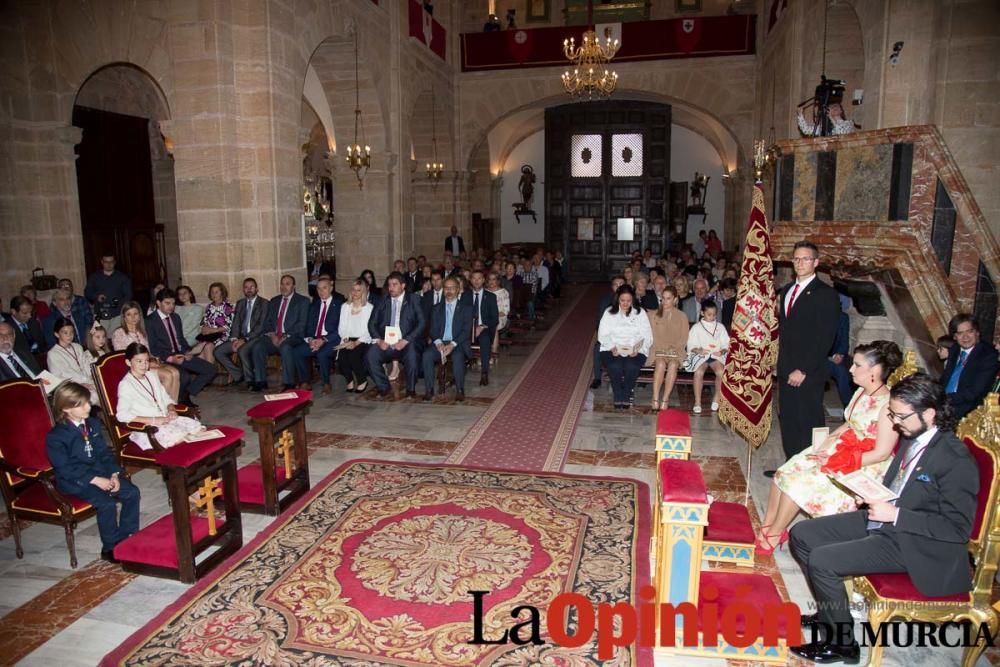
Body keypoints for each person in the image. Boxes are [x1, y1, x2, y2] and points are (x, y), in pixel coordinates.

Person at [789, 373, 978, 663]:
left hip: (916, 543)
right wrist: (871, 493)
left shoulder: (954, 459)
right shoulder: (913, 436)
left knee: (823, 561)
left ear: (929, 413)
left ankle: (843, 646)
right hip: (886, 521)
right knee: (802, 535)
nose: (894, 422)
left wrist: (897, 514)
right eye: (892, 413)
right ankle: (829, 614)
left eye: (900, 415)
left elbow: (956, 529)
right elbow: (901, 485)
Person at [758, 341, 903, 555]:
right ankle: (767, 527)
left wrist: (841, 460)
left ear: (874, 370)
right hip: (844, 447)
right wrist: (826, 443)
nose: (851, 369)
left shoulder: (888, 406)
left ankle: (776, 533)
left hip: (867, 462)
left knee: (797, 485)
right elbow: (850, 423)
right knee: (784, 473)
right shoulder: (862, 391)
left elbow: (881, 452)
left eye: (857, 365)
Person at [46, 381, 140, 563]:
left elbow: (104, 453)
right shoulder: (56, 436)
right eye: (81, 404)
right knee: (106, 504)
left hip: (100, 472)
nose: (88, 406)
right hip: (75, 480)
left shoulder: (92, 424)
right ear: (66, 408)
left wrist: (114, 474)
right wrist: (96, 480)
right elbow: (64, 468)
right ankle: (110, 547)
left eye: (88, 402)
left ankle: (128, 535)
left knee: (132, 492)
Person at [770, 241, 841, 476]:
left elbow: (824, 338)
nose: (800, 263)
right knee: (788, 417)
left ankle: (809, 468)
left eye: (806, 259)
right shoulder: (788, 289)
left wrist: (804, 369)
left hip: (808, 371)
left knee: (807, 418)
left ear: (816, 262)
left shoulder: (826, 295)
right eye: (797, 259)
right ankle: (791, 464)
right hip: (786, 366)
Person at [116, 343, 203, 449]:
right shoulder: (126, 384)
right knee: (184, 438)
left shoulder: (151, 376)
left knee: (199, 429)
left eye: (146, 361)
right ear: (128, 362)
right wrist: (154, 420)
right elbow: (122, 415)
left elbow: (166, 398)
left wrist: (171, 409)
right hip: (147, 429)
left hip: (165, 420)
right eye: (139, 361)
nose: (144, 365)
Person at [145, 288, 217, 406]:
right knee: (184, 376)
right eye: (167, 303)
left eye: (173, 303)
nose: (171, 306)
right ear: (158, 303)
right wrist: (171, 358)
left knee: (211, 370)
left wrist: (189, 352)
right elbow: (153, 348)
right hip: (165, 358)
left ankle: (185, 395)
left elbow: (181, 339)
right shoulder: (150, 321)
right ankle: (182, 400)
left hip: (181, 354)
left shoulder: (175, 317)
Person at [365, 272, 425, 399]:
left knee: (412, 354)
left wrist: (406, 340)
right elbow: (372, 324)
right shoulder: (383, 300)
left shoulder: (414, 299)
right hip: (386, 341)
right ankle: (383, 387)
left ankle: (410, 389)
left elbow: (421, 323)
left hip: (406, 342)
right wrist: (379, 340)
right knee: (370, 355)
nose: (391, 288)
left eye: (394, 284)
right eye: (389, 285)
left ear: (403, 286)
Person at [111, 301, 181, 401]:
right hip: (134, 367)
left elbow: (147, 351)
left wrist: (153, 358)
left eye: (135, 314)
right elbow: (122, 356)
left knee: (175, 372)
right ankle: (160, 407)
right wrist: (147, 363)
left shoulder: (141, 331)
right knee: (168, 375)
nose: (133, 317)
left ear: (139, 315)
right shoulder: (119, 333)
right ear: (124, 317)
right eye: (129, 314)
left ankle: (173, 407)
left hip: (148, 363)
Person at [598, 284, 652, 411]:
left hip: (635, 349)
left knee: (631, 366)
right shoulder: (609, 312)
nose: (625, 303)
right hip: (612, 348)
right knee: (615, 366)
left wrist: (637, 349)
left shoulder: (640, 312)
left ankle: (626, 393)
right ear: (617, 299)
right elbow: (602, 334)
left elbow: (647, 335)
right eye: (622, 300)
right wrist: (612, 347)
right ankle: (618, 394)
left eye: (628, 300)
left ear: (632, 299)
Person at [252, 275, 310, 391]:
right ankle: (260, 381)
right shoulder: (274, 301)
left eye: (287, 284)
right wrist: (272, 335)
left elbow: (301, 324)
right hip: (275, 336)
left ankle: (289, 383)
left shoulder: (302, 301)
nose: (284, 287)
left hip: (293, 336)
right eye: (282, 284)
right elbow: (267, 322)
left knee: (286, 347)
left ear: (293, 286)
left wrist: (285, 336)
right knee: (258, 346)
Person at [422, 276, 473, 401]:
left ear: (458, 290)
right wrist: (439, 343)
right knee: (427, 355)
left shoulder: (466, 308)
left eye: (452, 288)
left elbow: (466, 332)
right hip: (440, 342)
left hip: (457, 343)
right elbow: (433, 330)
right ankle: (429, 389)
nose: (448, 291)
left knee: (457, 356)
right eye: (446, 288)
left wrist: (451, 345)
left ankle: (460, 389)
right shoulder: (436, 308)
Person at [940, 313, 999, 419]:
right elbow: (945, 379)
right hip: (945, 403)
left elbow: (974, 393)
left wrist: (942, 399)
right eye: (960, 333)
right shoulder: (955, 349)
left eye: (970, 331)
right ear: (954, 336)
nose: (965, 337)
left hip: (967, 410)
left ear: (977, 333)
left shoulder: (988, 355)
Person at [213, 278, 267, 389]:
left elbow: (260, 326)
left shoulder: (264, 303)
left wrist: (245, 339)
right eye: (246, 287)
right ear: (243, 289)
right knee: (218, 351)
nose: (249, 289)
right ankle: (238, 375)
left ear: (257, 289)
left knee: (243, 350)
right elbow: (236, 322)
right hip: (240, 338)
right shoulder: (240, 303)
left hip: (256, 337)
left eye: (251, 287)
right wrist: (234, 339)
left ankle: (250, 381)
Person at [292, 277, 343, 394]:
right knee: (297, 351)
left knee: (322, 353)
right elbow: (308, 326)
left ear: (331, 288)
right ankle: (305, 381)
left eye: (324, 288)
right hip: (315, 339)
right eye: (318, 288)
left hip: (331, 339)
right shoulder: (314, 305)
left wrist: (324, 340)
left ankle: (326, 383)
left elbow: (341, 329)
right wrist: (310, 339)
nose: (321, 291)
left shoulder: (339, 305)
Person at [647, 286, 689, 411]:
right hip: (658, 349)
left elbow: (684, 337)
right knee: (660, 364)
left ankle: (665, 399)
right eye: (663, 298)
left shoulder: (682, 316)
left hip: (676, 350)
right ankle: (655, 398)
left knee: (673, 365)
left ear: (675, 299)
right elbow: (652, 336)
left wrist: (674, 348)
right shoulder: (653, 314)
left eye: (668, 299)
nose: (665, 302)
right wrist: (664, 348)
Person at [684, 301, 729, 414]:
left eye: (714, 314)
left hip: (715, 355)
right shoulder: (696, 327)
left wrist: (722, 351)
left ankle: (716, 398)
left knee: (721, 372)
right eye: (709, 314)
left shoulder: (720, 327)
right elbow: (691, 344)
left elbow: (726, 344)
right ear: (702, 313)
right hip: (701, 355)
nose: (712, 317)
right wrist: (699, 350)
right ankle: (697, 402)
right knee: (699, 372)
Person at [460, 269, 499, 386]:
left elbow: (494, 319)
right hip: (467, 328)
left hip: (484, 328)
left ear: (483, 280)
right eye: (474, 278)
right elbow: (460, 316)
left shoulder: (490, 297)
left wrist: (481, 327)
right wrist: (470, 328)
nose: (476, 281)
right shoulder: (464, 296)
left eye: (479, 278)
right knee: (459, 339)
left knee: (485, 339)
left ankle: (484, 373)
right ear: (470, 280)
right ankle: (460, 367)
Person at [46, 317, 99, 402]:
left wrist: (94, 376)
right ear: (56, 334)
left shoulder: (77, 347)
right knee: (95, 396)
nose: (69, 335)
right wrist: (81, 384)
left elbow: (86, 366)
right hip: (72, 388)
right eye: (65, 333)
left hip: (88, 382)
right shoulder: (53, 354)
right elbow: (60, 378)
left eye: (72, 332)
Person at [338, 279, 374, 393]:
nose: (355, 292)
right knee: (342, 357)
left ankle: (362, 380)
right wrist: (345, 340)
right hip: (347, 338)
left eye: (358, 290)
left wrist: (356, 343)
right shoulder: (345, 306)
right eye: (353, 289)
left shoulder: (369, 308)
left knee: (353, 355)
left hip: (363, 339)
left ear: (363, 292)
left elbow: (369, 330)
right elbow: (341, 327)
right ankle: (349, 380)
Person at [591, 276, 626, 390]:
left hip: (626, 336)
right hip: (609, 336)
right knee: (597, 348)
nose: (619, 286)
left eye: (621, 284)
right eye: (616, 284)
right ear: (612, 287)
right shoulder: (605, 300)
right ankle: (597, 378)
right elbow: (600, 323)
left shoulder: (630, 300)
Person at [193, 282, 234, 363]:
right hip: (210, 336)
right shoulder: (209, 307)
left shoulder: (228, 307)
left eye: (216, 292)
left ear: (222, 293)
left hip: (223, 335)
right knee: (202, 352)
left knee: (206, 347)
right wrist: (204, 328)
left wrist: (213, 330)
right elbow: (203, 322)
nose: (214, 294)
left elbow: (229, 326)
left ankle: (209, 372)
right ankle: (205, 371)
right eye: (212, 292)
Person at [84, 255, 132, 321]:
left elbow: (128, 295)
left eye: (111, 262)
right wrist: (96, 296)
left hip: (117, 315)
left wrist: (119, 305)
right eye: (106, 262)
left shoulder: (123, 278)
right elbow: (87, 292)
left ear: (114, 262)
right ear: (102, 262)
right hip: (100, 314)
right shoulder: (94, 277)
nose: (109, 264)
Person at [828, 294, 854, 407]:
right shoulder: (815, 317)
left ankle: (848, 405)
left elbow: (844, 340)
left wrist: (840, 354)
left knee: (841, 371)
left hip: (834, 356)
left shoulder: (842, 318)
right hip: (817, 357)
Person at [486, 272, 509, 357]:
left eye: (494, 279)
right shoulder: (484, 291)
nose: (491, 281)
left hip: (500, 317)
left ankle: (493, 352)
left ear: (498, 281)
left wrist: (493, 315)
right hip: (486, 317)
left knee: (493, 323)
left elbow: (505, 311)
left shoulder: (503, 292)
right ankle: (482, 353)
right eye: (489, 279)